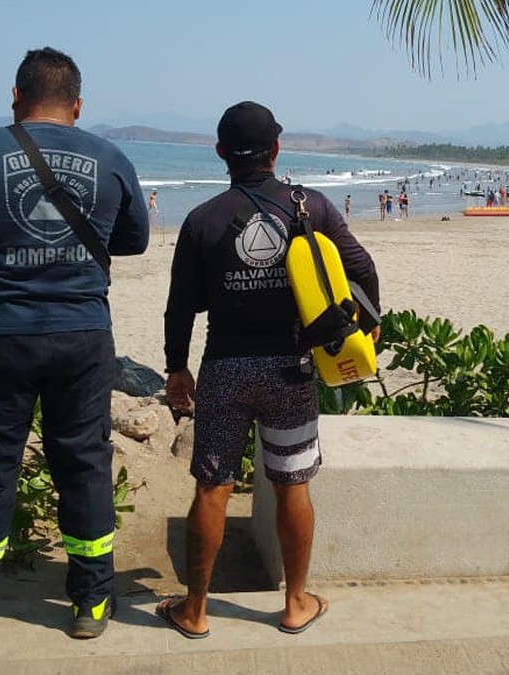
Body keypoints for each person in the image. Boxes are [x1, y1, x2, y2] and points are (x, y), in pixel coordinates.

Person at [0, 47, 149, 651]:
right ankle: (92, 599)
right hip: (83, 337)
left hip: (2, 335)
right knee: (84, 463)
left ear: (15, 97)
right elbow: (133, 240)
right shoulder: (111, 157)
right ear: (77, 105)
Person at [160, 101, 380, 639]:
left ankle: (195, 611)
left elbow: (179, 307)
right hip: (293, 370)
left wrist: (176, 368)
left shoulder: (203, 219)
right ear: (276, 150)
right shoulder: (314, 207)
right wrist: (370, 325)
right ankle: (295, 603)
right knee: (292, 485)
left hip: (226, 369)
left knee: (212, 487)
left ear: (219, 154)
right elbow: (362, 269)